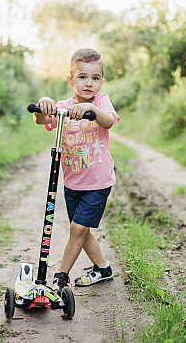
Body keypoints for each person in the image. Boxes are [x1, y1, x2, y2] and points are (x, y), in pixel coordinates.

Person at [33, 48, 120, 294]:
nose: (89, 83)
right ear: (71, 80)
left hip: (98, 181)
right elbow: (41, 120)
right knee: (81, 229)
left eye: (95, 78)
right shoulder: (63, 106)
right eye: (82, 77)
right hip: (73, 183)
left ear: (101, 81)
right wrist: (43, 104)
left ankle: (60, 277)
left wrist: (91, 112)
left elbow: (109, 121)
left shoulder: (101, 102)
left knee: (78, 229)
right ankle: (103, 268)